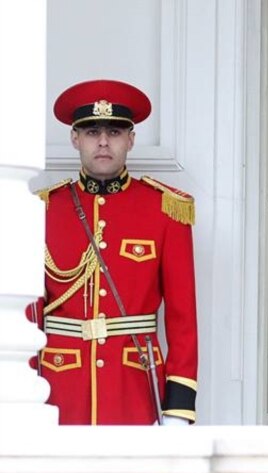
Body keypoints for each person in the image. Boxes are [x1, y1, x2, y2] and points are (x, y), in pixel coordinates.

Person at [30, 79, 198, 425]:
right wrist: (24, 392)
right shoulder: (42, 210)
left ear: (130, 139)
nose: (103, 142)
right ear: (75, 139)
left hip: (134, 389)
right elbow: (29, 314)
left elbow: (183, 318)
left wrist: (178, 408)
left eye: (115, 132)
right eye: (92, 132)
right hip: (58, 389)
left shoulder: (165, 209)